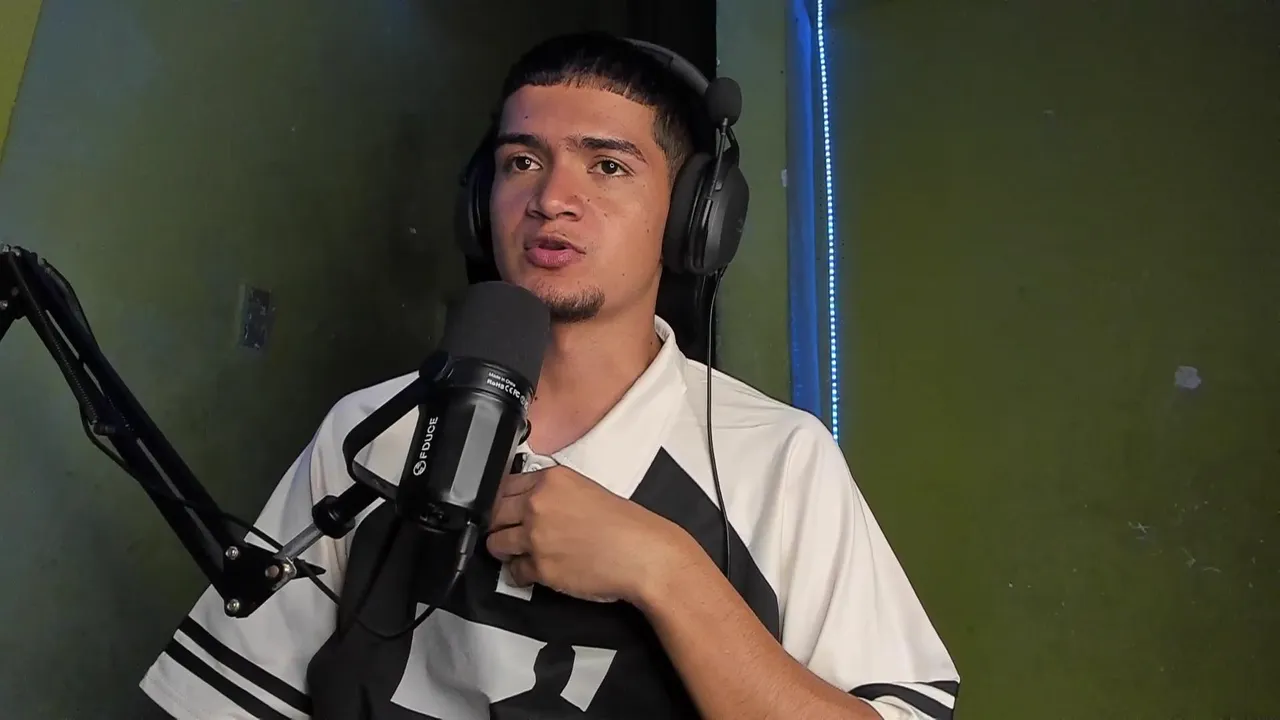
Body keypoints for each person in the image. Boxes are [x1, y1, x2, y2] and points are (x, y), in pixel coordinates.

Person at [139, 32, 959, 720]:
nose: (551, 198)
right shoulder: (373, 431)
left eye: (608, 167)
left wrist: (664, 570)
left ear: (693, 220)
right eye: (522, 161)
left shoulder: (777, 461)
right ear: (480, 204)